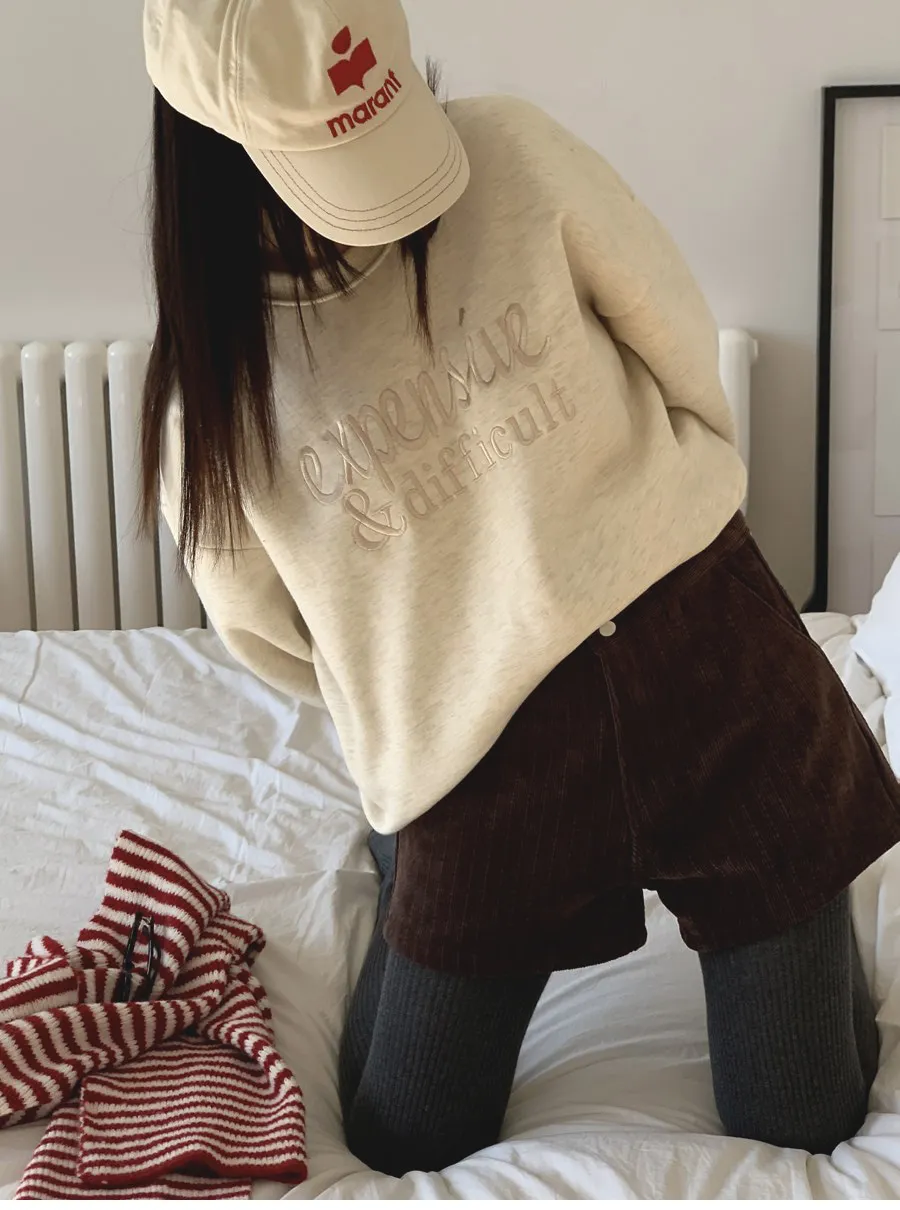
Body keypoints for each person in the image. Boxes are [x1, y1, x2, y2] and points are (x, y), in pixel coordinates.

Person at [140, 0, 900, 1179]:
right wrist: (420, 692)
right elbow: (266, 631)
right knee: (403, 1133)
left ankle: (800, 884)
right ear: (214, 140)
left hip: (717, 665)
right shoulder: (216, 381)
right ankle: (403, 847)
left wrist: (670, 513)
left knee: (808, 1118)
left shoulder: (510, 152)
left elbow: (673, 338)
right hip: (482, 766)